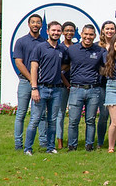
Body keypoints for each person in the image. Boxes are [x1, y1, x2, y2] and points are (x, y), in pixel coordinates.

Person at [24, 21, 68, 155]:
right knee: (35, 119)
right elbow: (34, 68)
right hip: (41, 88)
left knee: (52, 120)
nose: (56, 33)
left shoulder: (62, 50)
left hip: (56, 90)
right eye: (53, 30)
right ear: (47, 31)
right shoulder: (40, 47)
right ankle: (28, 148)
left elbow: (66, 65)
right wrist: (34, 88)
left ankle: (50, 147)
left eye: (58, 31)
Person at [64, 24, 106, 151]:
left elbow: (106, 67)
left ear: (95, 36)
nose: (88, 37)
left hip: (94, 89)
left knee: (90, 120)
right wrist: (67, 84)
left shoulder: (100, 51)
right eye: (86, 34)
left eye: (91, 35)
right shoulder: (72, 50)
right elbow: (64, 67)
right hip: (76, 89)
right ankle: (72, 146)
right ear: (81, 34)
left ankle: (89, 145)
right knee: (73, 120)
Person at [13, 14, 47, 151]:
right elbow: (18, 63)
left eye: (38, 22)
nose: (35, 24)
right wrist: (31, 79)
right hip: (25, 82)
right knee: (21, 113)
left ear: (41, 25)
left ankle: (43, 142)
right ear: (28, 24)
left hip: (40, 84)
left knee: (41, 115)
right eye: (33, 22)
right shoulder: (21, 41)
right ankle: (18, 143)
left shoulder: (44, 42)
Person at [95, 20, 116, 149]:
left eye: (112, 29)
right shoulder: (97, 46)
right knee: (103, 115)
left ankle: (112, 142)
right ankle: (100, 142)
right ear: (103, 30)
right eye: (107, 29)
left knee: (114, 117)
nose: (109, 31)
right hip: (102, 84)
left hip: (115, 84)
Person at [54, 21, 75, 150]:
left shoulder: (77, 47)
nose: (69, 33)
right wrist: (67, 84)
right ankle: (60, 141)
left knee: (73, 115)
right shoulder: (59, 47)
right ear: (62, 32)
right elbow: (59, 69)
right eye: (66, 30)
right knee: (60, 114)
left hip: (75, 85)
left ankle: (72, 141)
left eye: (71, 30)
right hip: (62, 85)